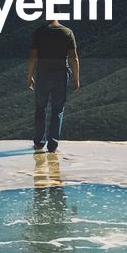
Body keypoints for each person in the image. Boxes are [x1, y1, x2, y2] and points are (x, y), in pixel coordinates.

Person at [25, 18, 80, 152]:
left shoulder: (39, 32)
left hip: (43, 74)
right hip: (61, 74)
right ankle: (53, 145)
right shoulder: (67, 32)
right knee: (58, 109)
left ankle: (39, 142)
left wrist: (29, 76)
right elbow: (74, 57)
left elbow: (33, 57)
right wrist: (76, 78)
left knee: (40, 108)